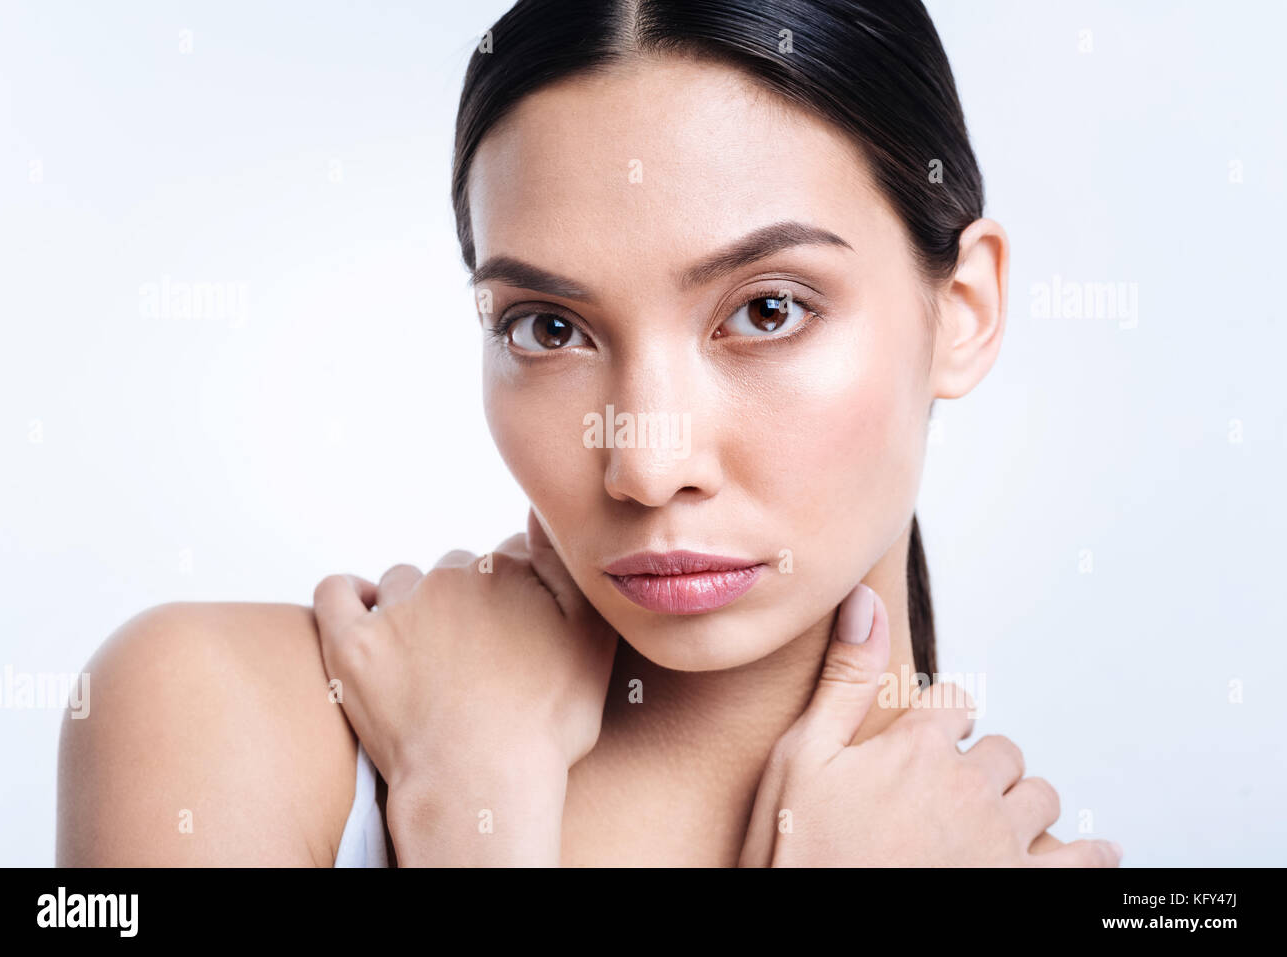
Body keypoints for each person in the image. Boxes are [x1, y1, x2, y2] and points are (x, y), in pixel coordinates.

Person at [57, 0, 1123, 868]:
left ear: (964, 310)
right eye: (549, 327)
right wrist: (471, 805)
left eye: (766, 310)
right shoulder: (225, 715)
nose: (647, 466)